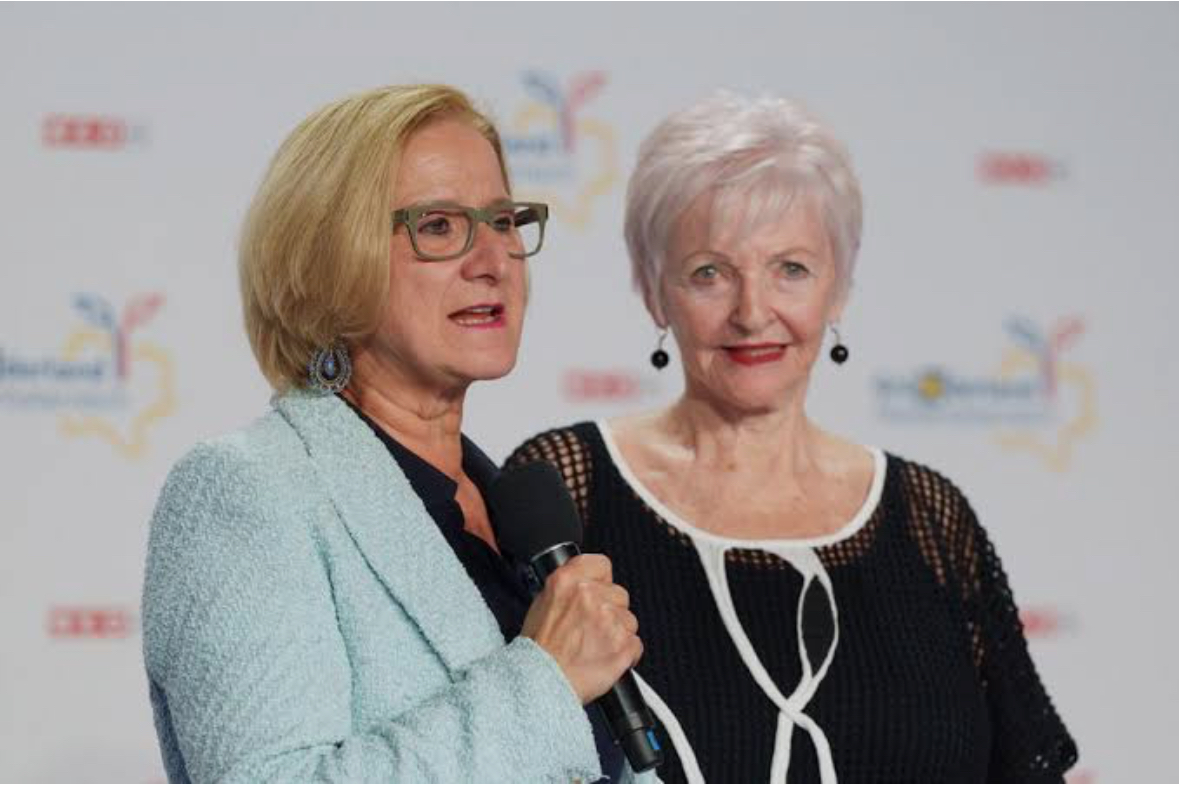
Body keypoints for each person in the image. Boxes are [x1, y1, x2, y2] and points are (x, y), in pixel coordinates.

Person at [507, 92, 1078, 783]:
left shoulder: (931, 516)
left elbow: (1024, 769)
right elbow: (513, 741)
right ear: (653, 288)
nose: (753, 312)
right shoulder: (570, 487)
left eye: (791, 269)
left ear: (839, 286)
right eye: (709, 272)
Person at [141, 84, 650, 783]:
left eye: (503, 221)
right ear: (329, 260)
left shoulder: (512, 511)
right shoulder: (248, 492)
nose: (492, 259)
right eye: (438, 226)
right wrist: (546, 681)